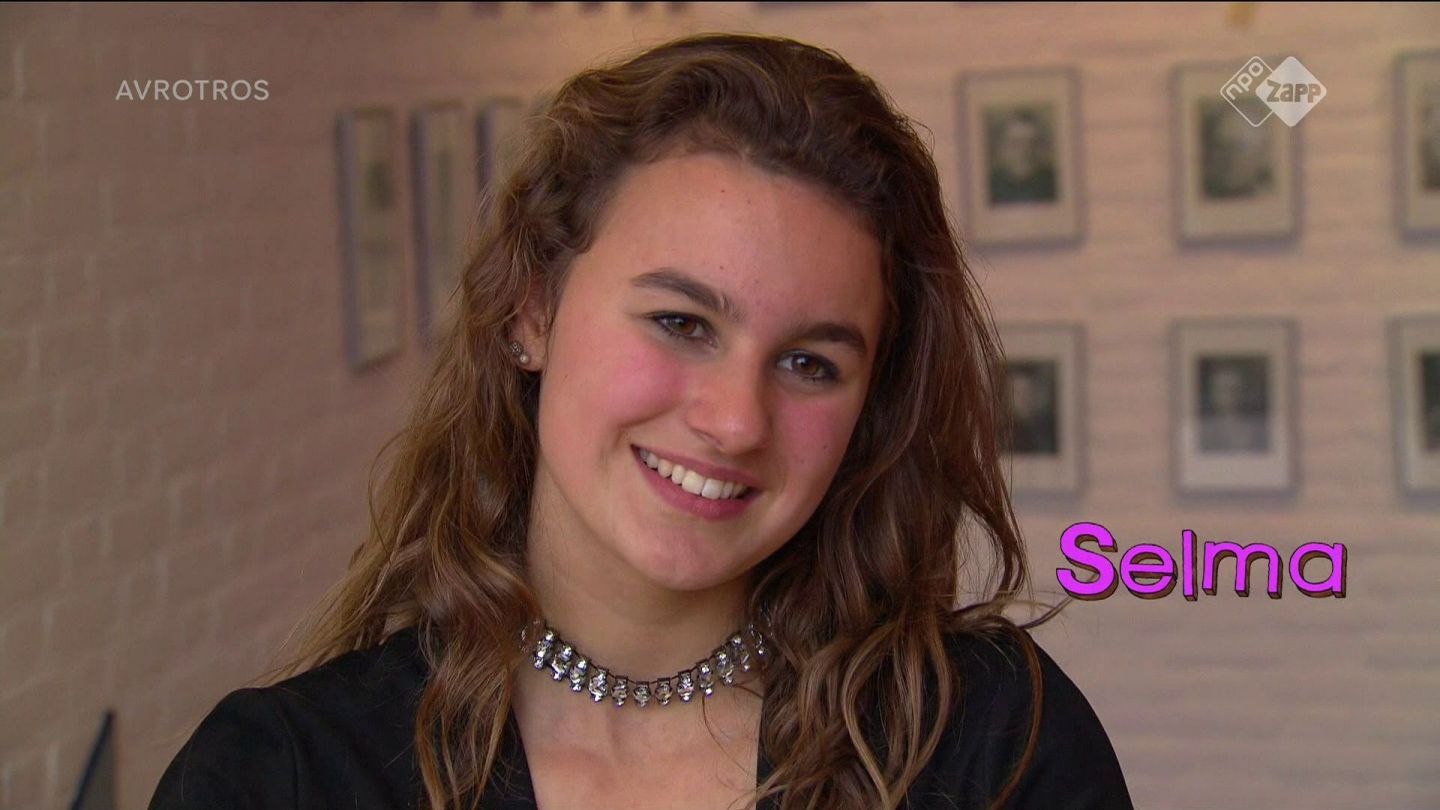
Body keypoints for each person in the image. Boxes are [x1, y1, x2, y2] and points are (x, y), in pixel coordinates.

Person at [148, 33, 1132, 810]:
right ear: (531, 309)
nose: (735, 421)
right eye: (681, 323)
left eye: (809, 364)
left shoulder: (993, 746)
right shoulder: (283, 775)